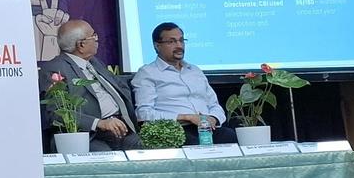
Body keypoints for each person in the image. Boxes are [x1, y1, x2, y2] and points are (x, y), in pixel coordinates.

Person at [39, 19, 140, 151]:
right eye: (94, 36)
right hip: (90, 136)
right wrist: (99, 123)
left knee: (153, 149)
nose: (97, 40)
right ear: (81, 44)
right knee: (108, 161)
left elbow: (120, 87)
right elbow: (56, 114)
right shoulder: (55, 69)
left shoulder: (94, 62)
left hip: (122, 129)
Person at [131, 22, 238, 145]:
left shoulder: (195, 71)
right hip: (175, 130)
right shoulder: (147, 73)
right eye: (171, 42)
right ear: (157, 46)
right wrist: (186, 117)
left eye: (181, 40)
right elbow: (144, 114)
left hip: (206, 129)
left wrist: (213, 118)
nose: (179, 45)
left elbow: (214, 105)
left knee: (230, 136)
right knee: (191, 142)